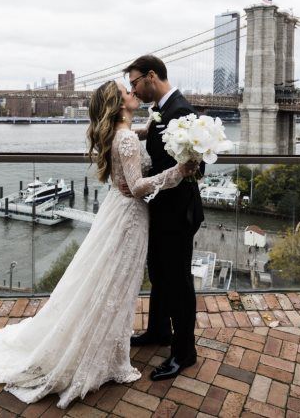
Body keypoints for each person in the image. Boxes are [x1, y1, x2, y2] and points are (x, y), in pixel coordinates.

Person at [0, 78, 197, 409]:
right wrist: (179, 171)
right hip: (130, 217)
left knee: (111, 283)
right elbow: (137, 187)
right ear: (119, 104)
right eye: (128, 92)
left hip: (118, 213)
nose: (134, 93)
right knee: (118, 286)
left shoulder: (121, 135)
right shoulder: (124, 139)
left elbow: (130, 145)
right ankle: (106, 355)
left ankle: (103, 345)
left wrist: (150, 125)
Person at [121, 54, 205, 381]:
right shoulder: (161, 111)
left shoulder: (181, 111)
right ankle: (158, 331)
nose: (134, 89)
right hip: (161, 209)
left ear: (152, 76)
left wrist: (190, 168)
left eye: (135, 82)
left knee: (178, 284)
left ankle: (185, 353)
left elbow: (196, 166)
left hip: (178, 214)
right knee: (158, 274)